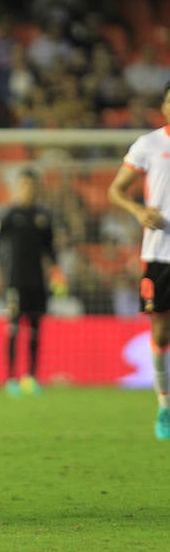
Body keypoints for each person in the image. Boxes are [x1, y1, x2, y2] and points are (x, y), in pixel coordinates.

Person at [107, 81, 170, 440]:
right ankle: (164, 407)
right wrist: (138, 211)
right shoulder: (149, 145)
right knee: (161, 332)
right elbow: (115, 191)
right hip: (160, 254)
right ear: (163, 106)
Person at [0, 167, 66, 396]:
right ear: (16, 188)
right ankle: (11, 378)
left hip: (37, 282)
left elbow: (50, 249)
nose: (28, 190)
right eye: (24, 186)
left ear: (37, 189)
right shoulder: (5, 215)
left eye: (31, 186)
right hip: (13, 281)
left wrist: (56, 271)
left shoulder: (43, 217)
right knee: (13, 328)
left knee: (35, 329)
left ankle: (31, 377)